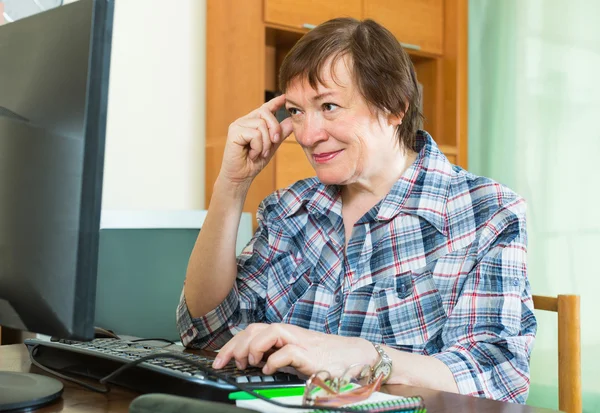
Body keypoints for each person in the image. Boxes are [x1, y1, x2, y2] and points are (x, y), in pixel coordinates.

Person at [177, 18, 536, 404]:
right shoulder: (289, 209)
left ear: (395, 106)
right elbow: (208, 332)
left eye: (329, 106)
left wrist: (364, 356)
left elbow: (497, 376)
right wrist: (232, 186)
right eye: (296, 111)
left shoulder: (487, 212)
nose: (308, 135)